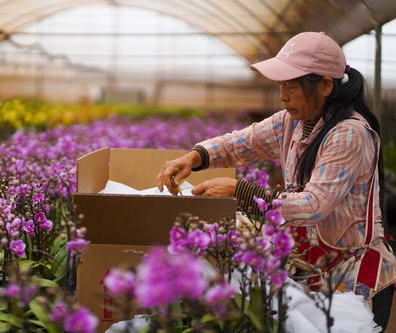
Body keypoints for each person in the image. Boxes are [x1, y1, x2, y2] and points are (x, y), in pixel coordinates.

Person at [156, 32, 395, 330]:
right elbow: (239, 144)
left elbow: (313, 207)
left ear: (325, 85)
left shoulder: (349, 134)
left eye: (291, 88)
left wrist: (240, 192)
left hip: (353, 282)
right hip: (313, 274)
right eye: (281, 86)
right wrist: (194, 157)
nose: (283, 96)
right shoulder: (291, 121)